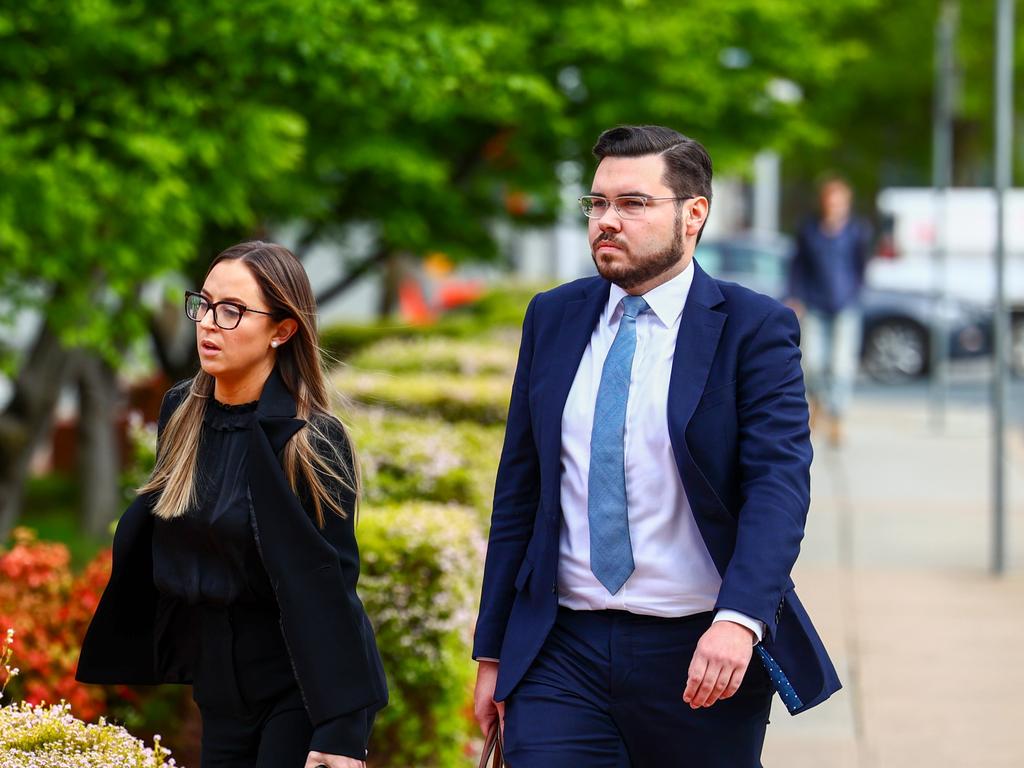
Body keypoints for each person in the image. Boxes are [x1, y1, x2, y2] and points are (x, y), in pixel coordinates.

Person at [472, 125, 840, 768]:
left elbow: (777, 486)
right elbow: (520, 492)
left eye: (633, 203)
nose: (607, 221)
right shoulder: (552, 317)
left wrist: (740, 619)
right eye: (597, 204)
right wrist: (494, 650)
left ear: (693, 214)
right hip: (562, 649)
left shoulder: (753, 328)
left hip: (700, 656)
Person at [77, 242, 387, 768]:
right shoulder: (182, 411)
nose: (208, 324)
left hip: (297, 691)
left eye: (232, 311)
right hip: (218, 692)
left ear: (281, 331)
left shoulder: (310, 440)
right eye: (204, 303)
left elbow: (333, 589)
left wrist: (342, 730)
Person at [786, 177, 873, 447]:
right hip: (814, 304)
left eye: (839, 202)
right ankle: (818, 401)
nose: (833, 207)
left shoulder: (857, 231)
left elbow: (861, 267)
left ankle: (836, 417)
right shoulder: (809, 230)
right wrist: (795, 296)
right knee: (812, 363)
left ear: (846, 204)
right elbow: (797, 266)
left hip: (845, 306)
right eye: (829, 201)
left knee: (841, 365)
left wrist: (856, 292)